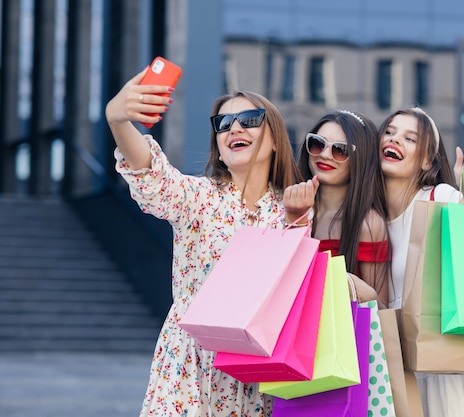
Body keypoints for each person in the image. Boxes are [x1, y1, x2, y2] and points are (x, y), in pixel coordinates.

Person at [105, 67, 317, 417]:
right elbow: (151, 174)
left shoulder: (293, 208)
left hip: (259, 374)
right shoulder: (198, 197)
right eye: (223, 123)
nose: (235, 127)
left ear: (276, 139)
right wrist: (118, 121)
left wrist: (298, 221)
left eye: (250, 119)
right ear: (218, 145)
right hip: (189, 367)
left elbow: (299, 296)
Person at [378, 107, 464, 417]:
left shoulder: (438, 197)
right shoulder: (369, 215)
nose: (395, 140)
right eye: (389, 132)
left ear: (427, 159)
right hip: (394, 367)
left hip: (443, 366)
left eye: (409, 138)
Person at [297, 109, 390, 306]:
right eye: (317, 144)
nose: (325, 155)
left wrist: (353, 286)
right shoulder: (289, 209)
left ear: (361, 159)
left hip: (342, 334)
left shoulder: (368, 223)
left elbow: (380, 311)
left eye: (341, 150)